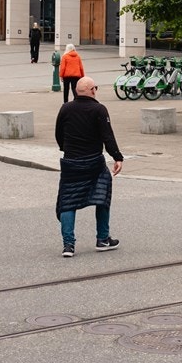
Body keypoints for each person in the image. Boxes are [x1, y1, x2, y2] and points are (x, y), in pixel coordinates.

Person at [54, 76, 123, 258]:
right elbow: (107, 136)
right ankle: (102, 238)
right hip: (94, 162)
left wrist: (67, 148)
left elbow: (58, 134)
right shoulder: (99, 109)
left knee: (68, 201)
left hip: (71, 163)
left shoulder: (66, 108)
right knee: (103, 196)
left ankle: (68, 245)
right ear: (92, 90)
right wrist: (117, 157)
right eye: (96, 88)